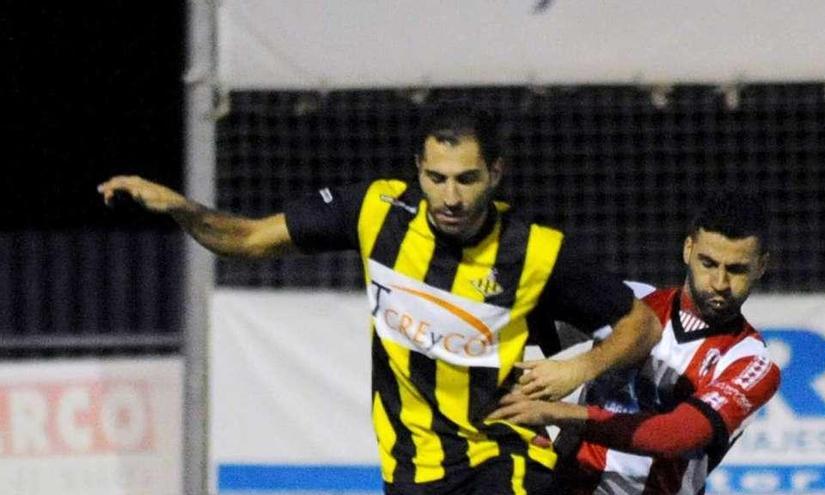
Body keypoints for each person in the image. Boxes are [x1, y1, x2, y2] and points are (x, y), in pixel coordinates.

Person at [98, 102, 662, 495]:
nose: (450, 197)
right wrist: (179, 207)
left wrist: (582, 367)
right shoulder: (375, 212)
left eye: (466, 179)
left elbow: (641, 325)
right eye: (436, 178)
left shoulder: (537, 251)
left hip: (509, 454)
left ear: (496, 173)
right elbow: (246, 239)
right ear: (418, 170)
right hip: (412, 463)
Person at [489, 194, 781, 494]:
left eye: (736, 269)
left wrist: (551, 412)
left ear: (761, 266)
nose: (719, 282)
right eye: (708, 263)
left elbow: (675, 435)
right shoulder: (634, 307)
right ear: (688, 249)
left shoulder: (752, 363)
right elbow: (515, 327)